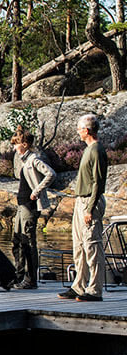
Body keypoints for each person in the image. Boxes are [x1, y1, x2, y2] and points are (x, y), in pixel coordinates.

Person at [58, 113, 108, 302]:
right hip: (81, 200)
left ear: (86, 130)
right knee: (79, 246)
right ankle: (78, 285)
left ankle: (95, 290)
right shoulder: (88, 149)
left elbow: (98, 183)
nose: (78, 132)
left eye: (79, 129)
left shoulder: (96, 150)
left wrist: (90, 209)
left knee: (92, 246)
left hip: (90, 202)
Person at [10, 126, 55, 289]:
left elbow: (51, 174)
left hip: (30, 207)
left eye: (16, 144)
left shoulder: (33, 159)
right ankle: (19, 275)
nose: (14, 148)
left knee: (28, 242)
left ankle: (31, 279)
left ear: (25, 144)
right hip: (21, 206)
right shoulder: (24, 161)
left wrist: (36, 191)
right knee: (17, 240)